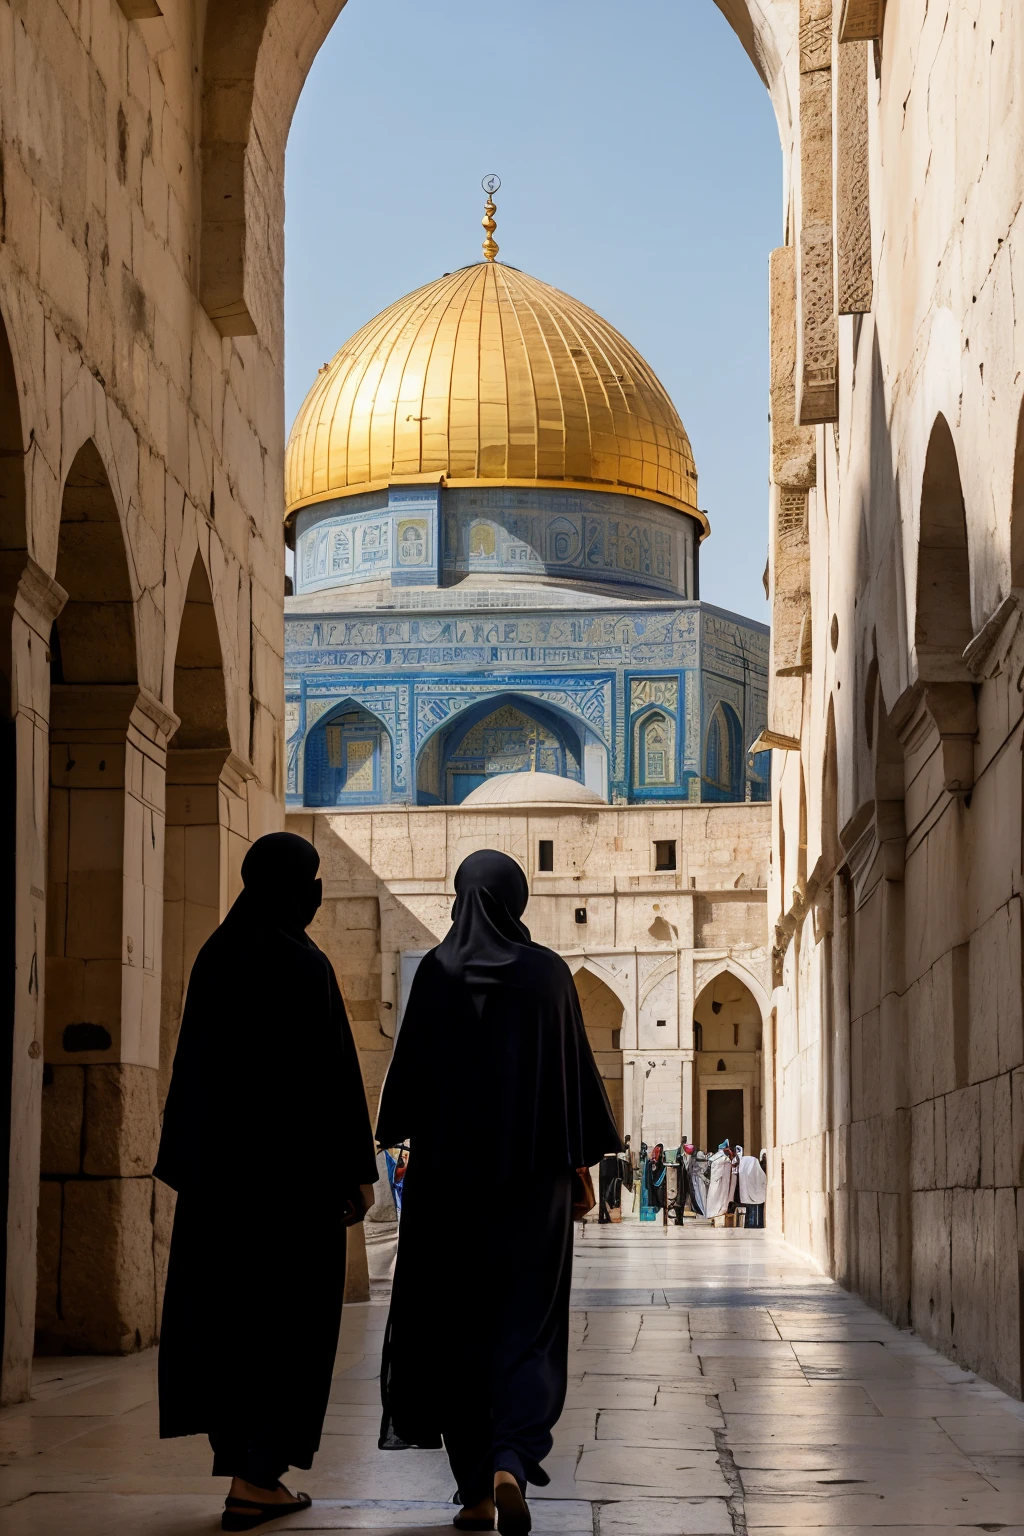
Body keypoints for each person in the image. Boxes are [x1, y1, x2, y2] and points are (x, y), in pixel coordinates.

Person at [374, 849, 621, 1536]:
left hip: (448, 1188)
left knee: (457, 1331)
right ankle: (513, 1455)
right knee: (527, 1326)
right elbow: (572, 1078)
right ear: (516, 900)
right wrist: (578, 1170)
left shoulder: (437, 972)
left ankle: (476, 1492)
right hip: (532, 1188)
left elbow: (408, 1088)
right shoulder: (546, 974)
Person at [155, 832, 378, 1533]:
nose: (315, 894)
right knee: (287, 1327)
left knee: (228, 1322)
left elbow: (193, 1076)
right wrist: (355, 1174)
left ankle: (242, 1468)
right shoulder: (301, 964)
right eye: (310, 880)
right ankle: (258, 1477)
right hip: (292, 1193)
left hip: (223, 1192)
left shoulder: (218, 955)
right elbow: (334, 1078)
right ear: (294, 886)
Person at [739, 1147, 768, 1228]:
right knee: (752, 1211)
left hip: (752, 1194)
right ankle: (753, 1224)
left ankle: (753, 1224)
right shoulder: (756, 1167)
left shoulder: (757, 1167)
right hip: (754, 1194)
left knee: (753, 1212)